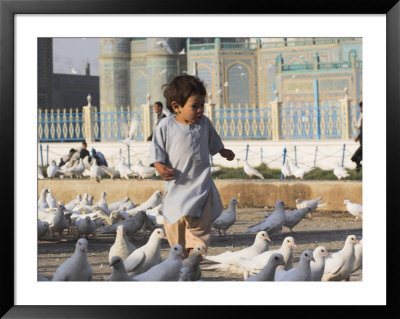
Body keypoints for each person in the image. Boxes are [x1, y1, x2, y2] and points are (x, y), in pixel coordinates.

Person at [150, 74, 235, 258]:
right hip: (177, 189)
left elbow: (213, 141)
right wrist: (159, 166)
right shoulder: (165, 126)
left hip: (200, 187)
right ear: (176, 107)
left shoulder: (204, 124)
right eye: (194, 106)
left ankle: (194, 258)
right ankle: (181, 260)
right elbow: (156, 150)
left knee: (199, 231)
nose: (200, 110)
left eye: (202, 105)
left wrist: (222, 151)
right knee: (175, 231)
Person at [351, 101, 362, 172]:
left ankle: (358, 167)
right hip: (362, 139)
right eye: (360, 107)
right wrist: (358, 137)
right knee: (356, 157)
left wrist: (358, 137)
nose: (361, 108)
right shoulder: (362, 115)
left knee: (355, 157)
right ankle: (358, 167)